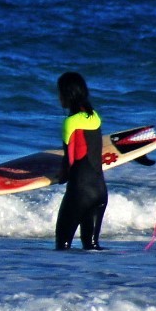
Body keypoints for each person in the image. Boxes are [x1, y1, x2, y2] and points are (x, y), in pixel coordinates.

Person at [54, 70, 108, 250]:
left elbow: (70, 159)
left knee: (63, 245)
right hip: (100, 192)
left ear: (67, 95)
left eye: (60, 92)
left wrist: (61, 177)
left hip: (80, 192)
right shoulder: (95, 117)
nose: (58, 97)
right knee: (91, 246)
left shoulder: (71, 122)